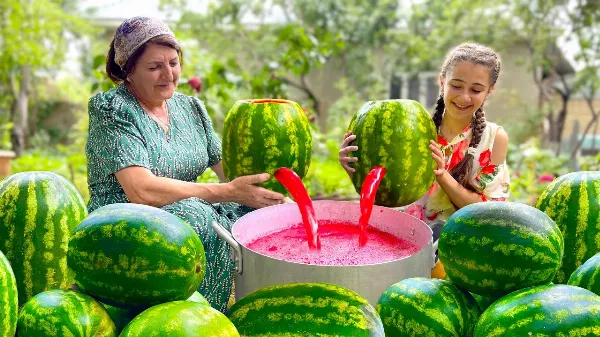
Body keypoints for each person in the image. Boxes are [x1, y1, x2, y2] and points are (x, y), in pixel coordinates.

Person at [85, 16, 286, 312]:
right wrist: (226, 192)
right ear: (128, 72)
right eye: (154, 67)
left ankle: (237, 311)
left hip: (191, 210)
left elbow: (232, 173)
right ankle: (182, 319)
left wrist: (270, 188)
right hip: (123, 225)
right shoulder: (113, 111)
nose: (168, 74)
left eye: (173, 63)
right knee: (197, 216)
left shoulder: (190, 108)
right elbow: (141, 191)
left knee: (257, 212)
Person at [339, 42, 510, 226]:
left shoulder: (494, 139)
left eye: (475, 90)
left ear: (489, 91)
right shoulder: (415, 130)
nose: (464, 97)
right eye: (456, 85)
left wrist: (442, 175)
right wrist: (357, 168)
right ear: (442, 82)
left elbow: (488, 214)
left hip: (461, 245)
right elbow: (387, 195)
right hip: (412, 236)